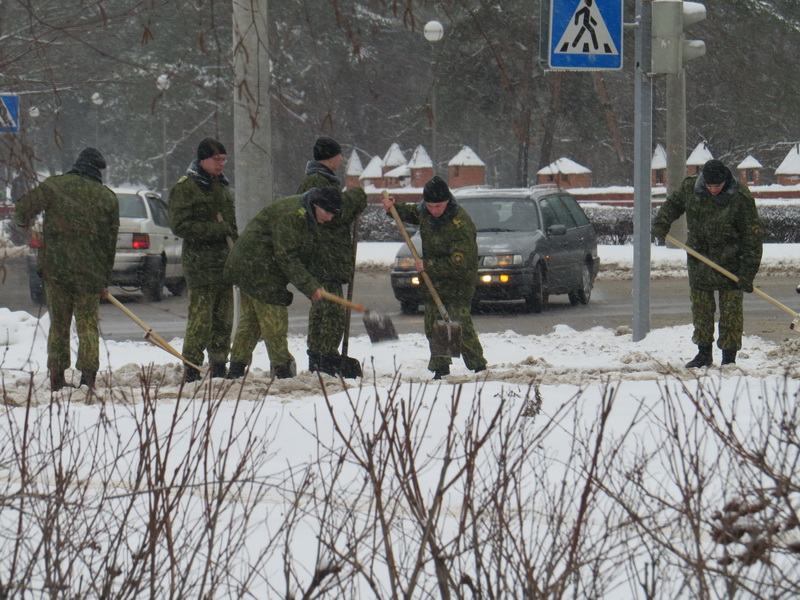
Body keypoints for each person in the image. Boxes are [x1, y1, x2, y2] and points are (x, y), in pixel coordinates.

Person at [13, 147, 119, 390]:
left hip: (57, 270)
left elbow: (21, 211)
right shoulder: (108, 197)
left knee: (59, 325)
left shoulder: (55, 185)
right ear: (99, 170)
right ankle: (88, 379)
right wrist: (105, 278)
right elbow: (109, 244)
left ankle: (57, 378)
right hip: (90, 274)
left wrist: (24, 224)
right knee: (88, 326)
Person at [651, 159, 763, 367]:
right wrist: (661, 223)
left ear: (725, 181)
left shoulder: (740, 197)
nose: (712, 190)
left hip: (731, 261)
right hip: (699, 256)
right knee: (701, 309)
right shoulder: (690, 187)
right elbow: (673, 204)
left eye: (717, 186)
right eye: (709, 186)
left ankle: (729, 358)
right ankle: (703, 354)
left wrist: (748, 273)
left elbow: (752, 237)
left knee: (731, 313)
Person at [224, 187, 341, 379]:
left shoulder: (306, 215)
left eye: (333, 214)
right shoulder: (292, 215)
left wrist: (313, 280)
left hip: (253, 266)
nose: (330, 218)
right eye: (327, 212)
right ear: (316, 205)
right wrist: (310, 286)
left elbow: (300, 251)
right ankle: (282, 370)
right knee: (274, 320)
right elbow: (286, 256)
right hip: (257, 268)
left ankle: (236, 370)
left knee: (251, 321)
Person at [382, 176, 487, 379]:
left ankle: (478, 367)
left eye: (438, 206)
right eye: (430, 206)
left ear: (447, 201)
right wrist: (393, 208)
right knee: (435, 324)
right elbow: (413, 212)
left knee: (457, 323)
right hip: (434, 281)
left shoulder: (460, 224)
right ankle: (441, 368)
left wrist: (428, 265)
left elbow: (460, 263)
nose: (434, 210)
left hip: (458, 282)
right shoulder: (425, 212)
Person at [296, 136, 367, 378]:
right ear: (330, 157)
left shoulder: (322, 179)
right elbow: (334, 212)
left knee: (324, 309)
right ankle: (324, 356)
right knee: (331, 311)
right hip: (323, 256)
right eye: (339, 155)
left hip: (326, 257)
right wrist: (356, 198)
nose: (342, 159)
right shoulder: (317, 181)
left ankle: (320, 355)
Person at [168, 137, 238, 382]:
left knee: (223, 320)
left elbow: (232, 226)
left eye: (224, 160)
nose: (222, 165)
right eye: (217, 159)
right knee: (201, 320)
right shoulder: (186, 188)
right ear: (202, 160)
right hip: (201, 266)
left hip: (224, 265)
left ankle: (219, 366)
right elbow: (180, 225)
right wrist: (215, 230)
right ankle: (192, 367)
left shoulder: (221, 187)